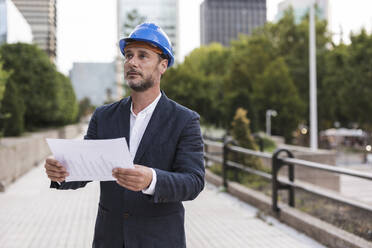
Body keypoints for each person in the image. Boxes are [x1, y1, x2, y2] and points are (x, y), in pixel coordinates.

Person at [44, 22, 205, 248]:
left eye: (142, 56)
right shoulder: (104, 116)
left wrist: (152, 179)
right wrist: (61, 170)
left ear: (163, 65)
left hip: (159, 240)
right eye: (128, 55)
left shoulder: (184, 120)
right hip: (109, 238)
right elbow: (85, 169)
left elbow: (194, 182)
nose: (132, 62)